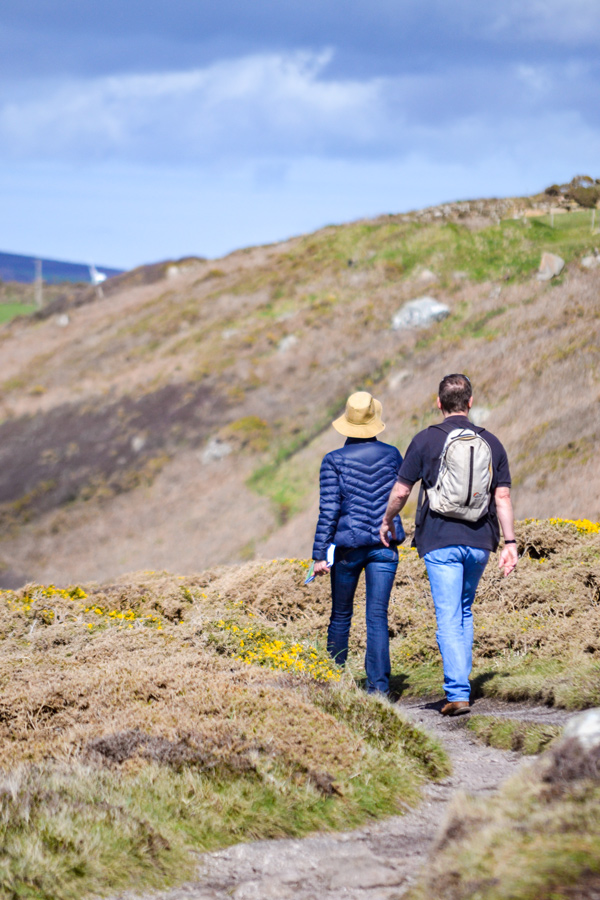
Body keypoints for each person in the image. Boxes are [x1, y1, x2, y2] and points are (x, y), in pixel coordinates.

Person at [379, 374, 518, 716]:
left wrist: (386, 520)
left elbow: (401, 491)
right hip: (480, 540)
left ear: (438, 403)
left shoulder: (425, 440)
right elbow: (502, 497)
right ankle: (461, 684)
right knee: (464, 610)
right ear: (470, 403)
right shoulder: (492, 443)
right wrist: (510, 542)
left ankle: (458, 693)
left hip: (439, 541)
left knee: (449, 615)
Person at [312, 391, 405, 694]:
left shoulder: (333, 461)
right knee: (377, 615)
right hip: (384, 544)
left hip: (348, 549)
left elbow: (329, 510)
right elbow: (399, 496)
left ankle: (334, 682)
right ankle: (379, 687)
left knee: (341, 614)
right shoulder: (392, 454)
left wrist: (319, 555)